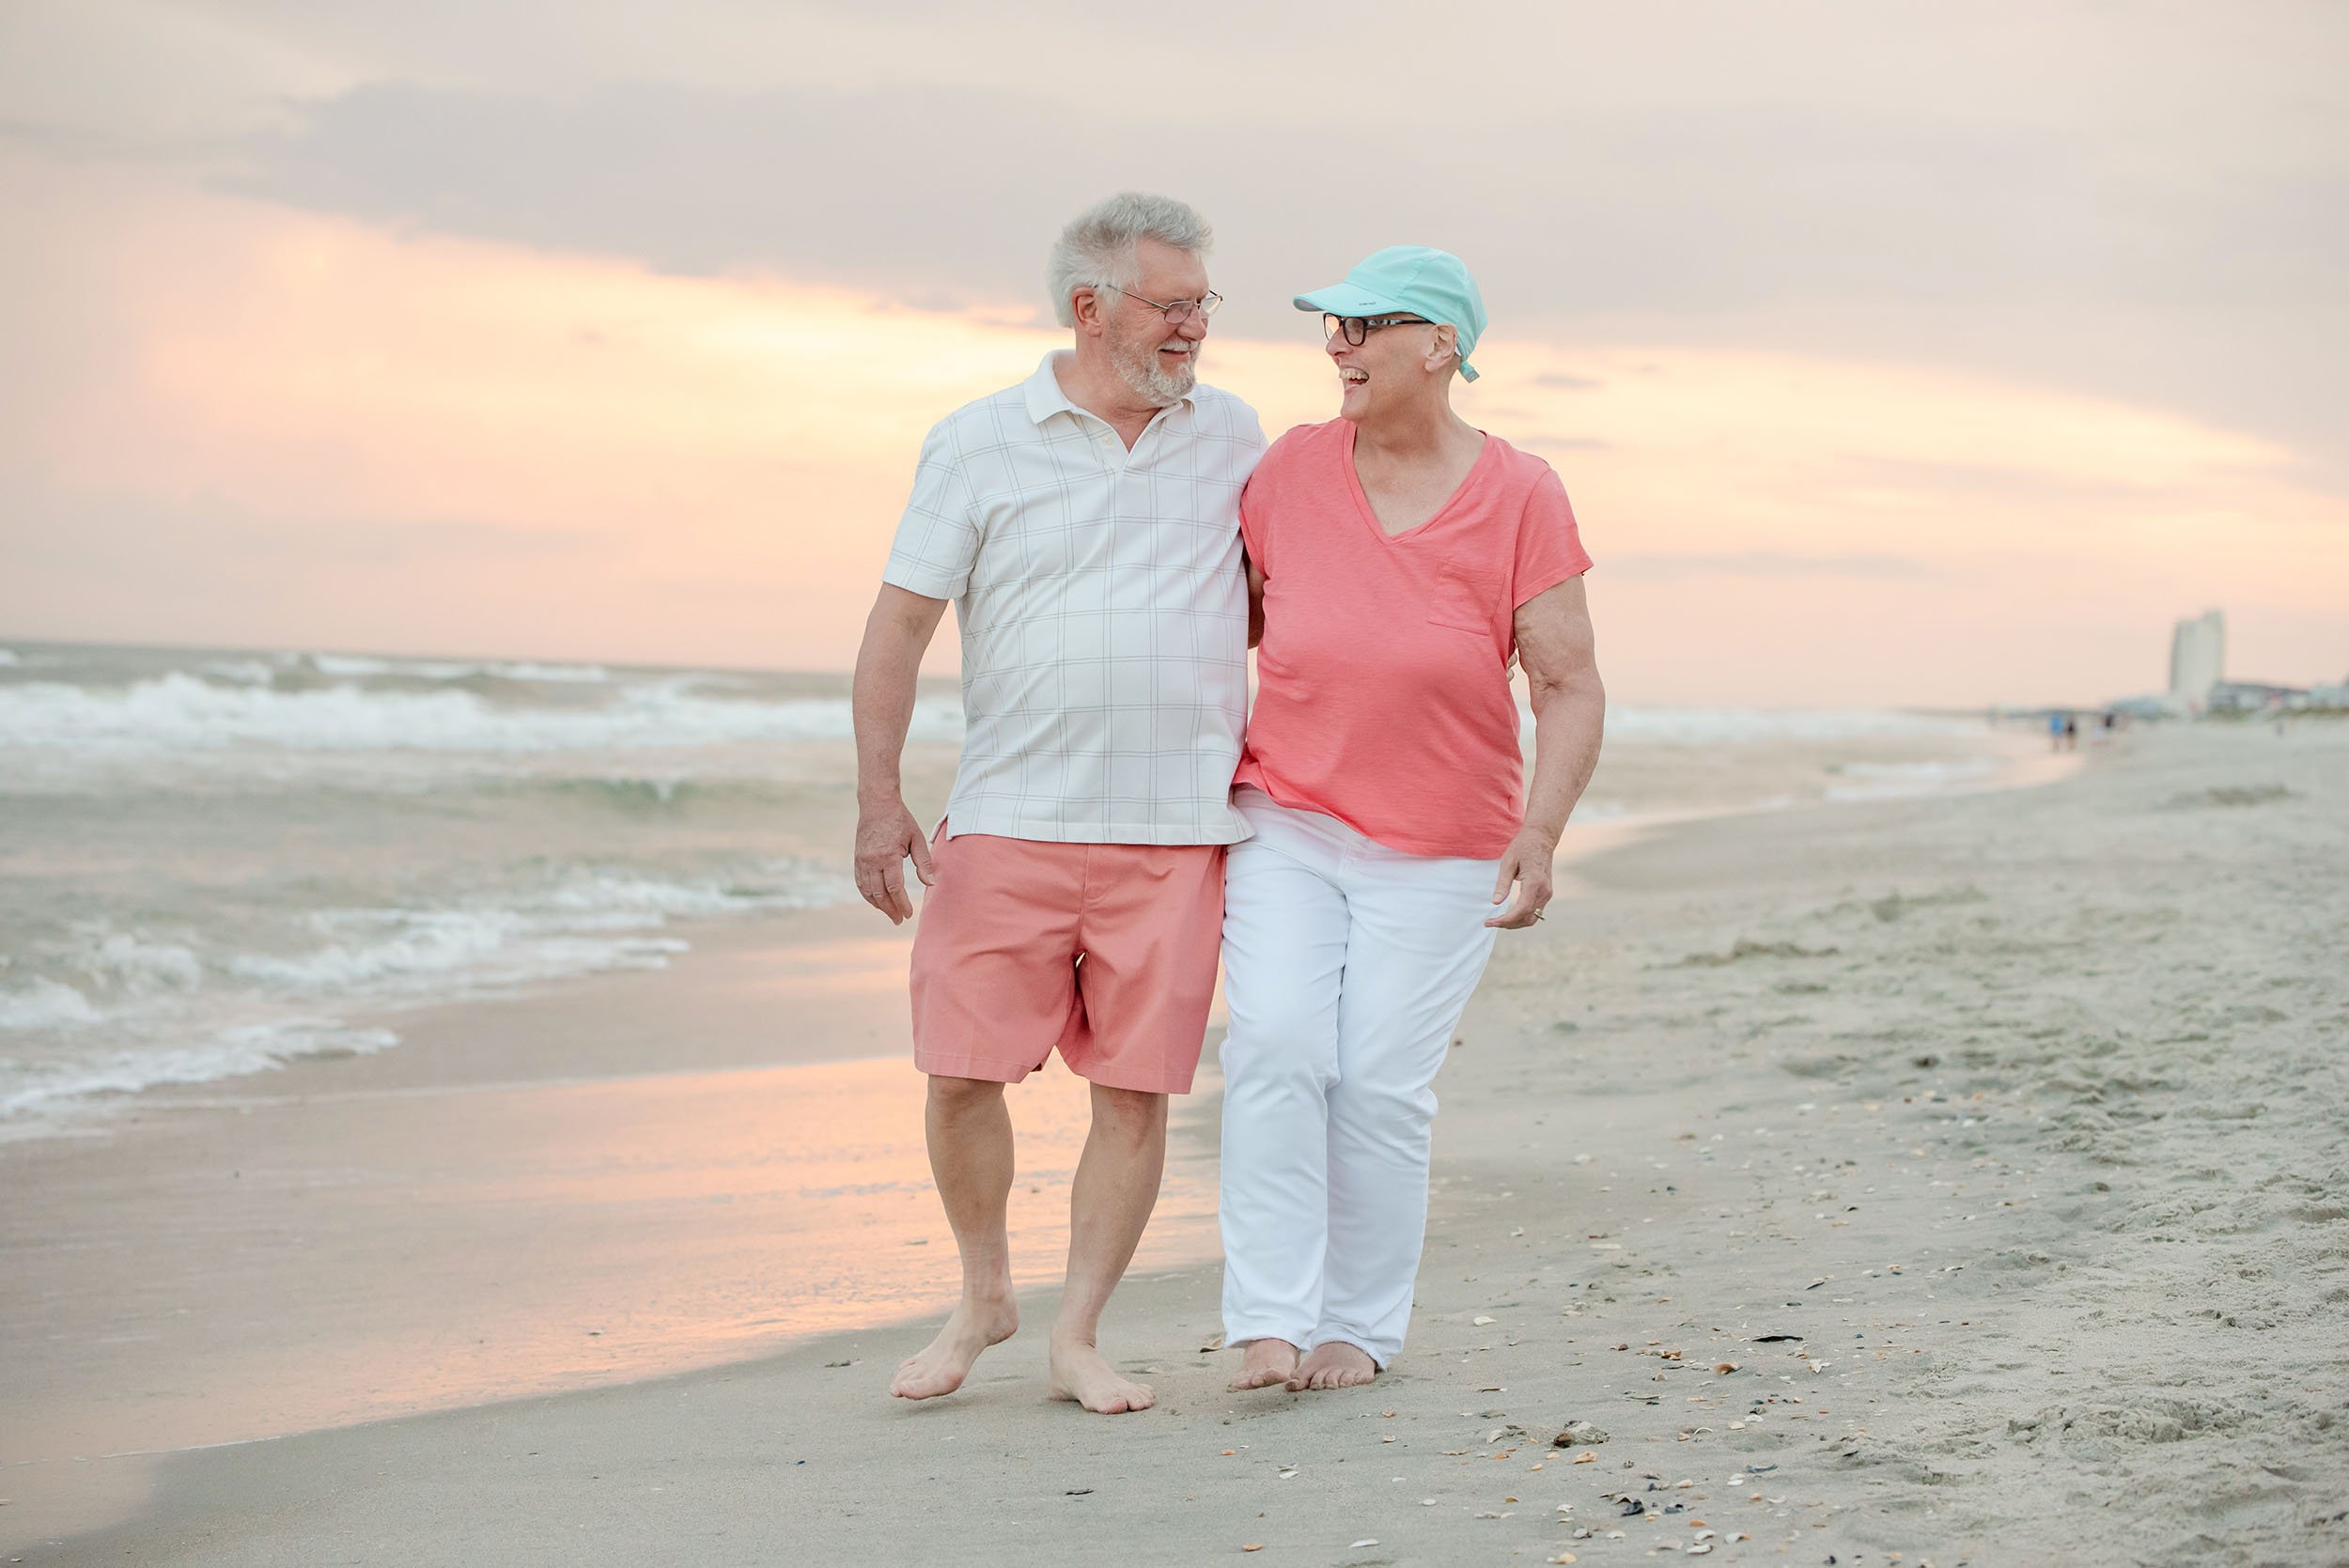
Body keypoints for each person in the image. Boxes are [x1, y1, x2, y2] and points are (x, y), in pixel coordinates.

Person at [850, 193, 1265, 1414]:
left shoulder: (1235, 435)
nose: (1193, 326)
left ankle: (1078, 1333)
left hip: (1176, 830)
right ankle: (985, 1291)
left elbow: (1296, 593)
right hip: (1011, 820)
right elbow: (897, 631)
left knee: (1134, 1091)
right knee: (960, 1071)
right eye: (1170, 304)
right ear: (1090, 307)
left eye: (1202, 304)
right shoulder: (978, 441)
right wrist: (881, 801)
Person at [1219, 247, 1606, 1392]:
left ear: (1442, 345)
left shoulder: (1520, 491)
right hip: (1287, 816)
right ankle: (1267, 1317)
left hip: (1442, 846)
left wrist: (1540, 833)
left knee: (1379, 1083)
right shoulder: (1287, 470)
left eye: (1363, 324)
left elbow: (1569, 685)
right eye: (1329, 327)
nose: (1337, 345)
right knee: (1278, 1046)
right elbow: (1216, 626)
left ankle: (1357, 1327)